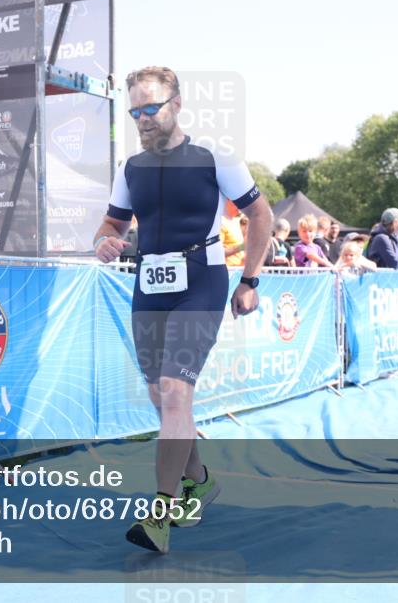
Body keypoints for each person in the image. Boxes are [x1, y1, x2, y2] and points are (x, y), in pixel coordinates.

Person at [92, 66, 271, 554]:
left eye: (151, 108)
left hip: (202, 281)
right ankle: (200, 479)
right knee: (161, 396)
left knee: (174, 392)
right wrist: (105, 241)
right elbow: (111, 223)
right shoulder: (130, 167)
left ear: (177, 104)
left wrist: (250, 279)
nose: (143, 119)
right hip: (149, 285)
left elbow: (261, 214)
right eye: (135, 111)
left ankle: (160, 516)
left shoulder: (215, 157)